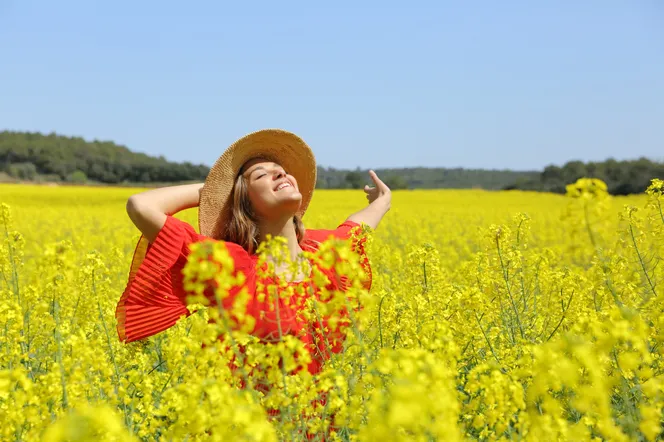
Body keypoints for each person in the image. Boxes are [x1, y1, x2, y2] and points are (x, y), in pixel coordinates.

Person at [115, 129, 391, 376]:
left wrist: (382, 201)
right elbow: (141, 206)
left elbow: (359, 225)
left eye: (281, 170)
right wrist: (213, 192)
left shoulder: (325, 253)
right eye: (261, 175)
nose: (281, 173)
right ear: (243, 200)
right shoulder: (229, 267)